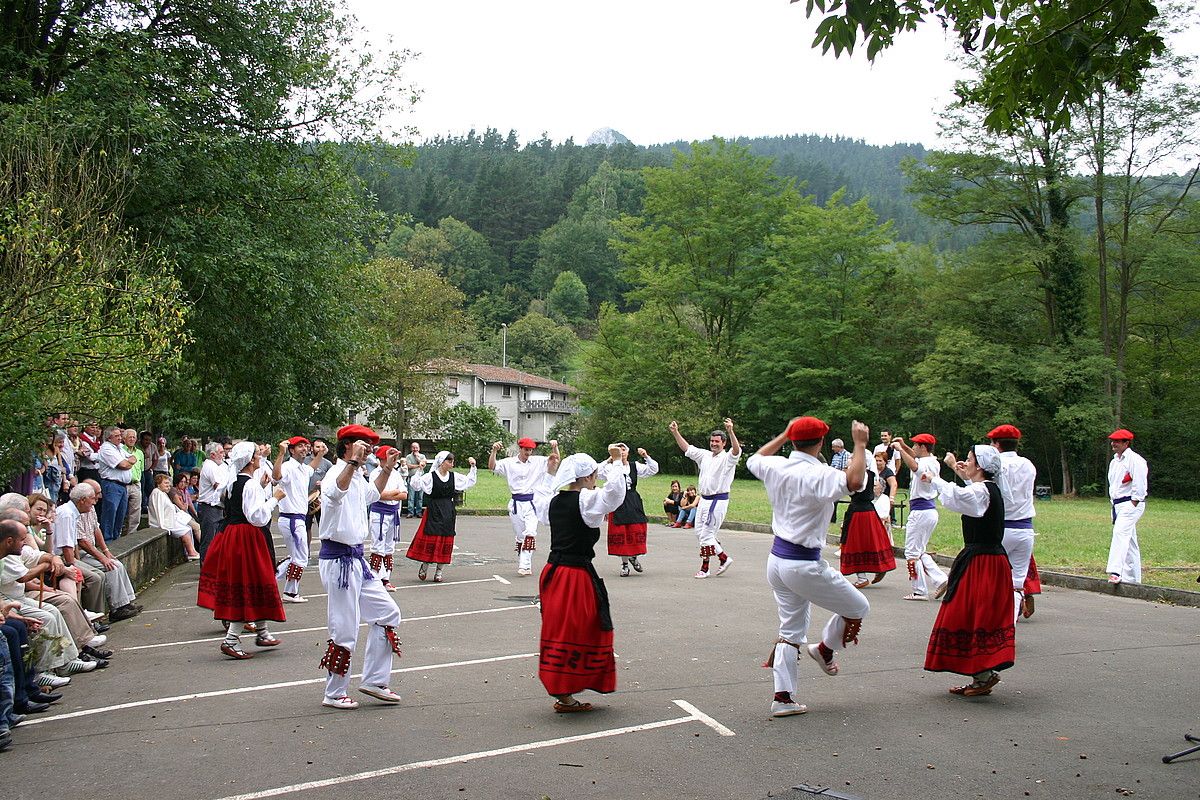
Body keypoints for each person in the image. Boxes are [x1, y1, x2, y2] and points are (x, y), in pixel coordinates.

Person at [748, 417, 872, 718]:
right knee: (858, 607)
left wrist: (783, 432)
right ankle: (825, 649)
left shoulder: (776, 465)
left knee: (790, 630)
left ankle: (783, 697)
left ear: (792, 441)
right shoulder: (820, 474)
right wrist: (860, 444)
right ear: (820, 443)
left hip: (776, 560)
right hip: (802, 562)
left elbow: (754, 459)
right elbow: (855, 482)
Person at [531, 448, 626, 713]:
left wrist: (550, 472)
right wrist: (617, 462)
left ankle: (564, 691)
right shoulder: (586, 501)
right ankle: (565, 690)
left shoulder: (553, 500)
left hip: (553, 572)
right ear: (587, 477)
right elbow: (615, 495)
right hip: (573, 576)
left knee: (560, 629)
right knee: (580, 630)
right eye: (594, 475)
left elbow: (541, 496)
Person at [317, 425, 404, 710]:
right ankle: (334, 693)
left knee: (388, 612)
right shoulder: (337, 473)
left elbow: (373, 495)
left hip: (357, 560)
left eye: (369, 445)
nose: (368, 449)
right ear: (348, 446)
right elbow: (332, 494)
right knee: (344, 628)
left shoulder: (359, 476)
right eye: (364, 444)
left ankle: (375, 680)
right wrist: (353, 463)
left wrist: (387, 469)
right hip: (337, 560)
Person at [924, 445, 1015, 697]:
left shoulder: (982, 491)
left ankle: (983, 675)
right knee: (975, 615)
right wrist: (958, 469)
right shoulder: (989, 488)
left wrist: (934, 478)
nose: (966, 461)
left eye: (970, 459)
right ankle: (981, 675)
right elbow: (967, 491)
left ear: (980, 467)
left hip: (983, 563)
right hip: (986, 560)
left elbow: (959, 497)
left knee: (972, 614)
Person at [197, 441, 286, 659]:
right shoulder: (250, 485)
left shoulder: (234, 481)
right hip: (247, 537)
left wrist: (263, 490)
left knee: (257, 581)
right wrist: (274, 498)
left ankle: (262, 632)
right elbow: (257, 517)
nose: (259, 457)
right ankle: (231, 639)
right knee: (249, 583)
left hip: (232, 535)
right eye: (257, 454)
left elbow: (236, 504)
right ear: (250, 460)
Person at [668, 418, 740, 578]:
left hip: (717, 500)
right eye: (712, 441)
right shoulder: (705, 456)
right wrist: (675, 433)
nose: (714, 444)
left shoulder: (727, 458)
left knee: (707, 534)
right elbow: (687, 448)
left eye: (717, 441)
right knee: (700, 532)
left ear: (724, 443)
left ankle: (708, 566)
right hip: (704, 499)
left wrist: (730, 431)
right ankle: (721, 559)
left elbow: (736, 451)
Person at [987, 424, 1037, 623]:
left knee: (991, 579)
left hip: (1002, 527)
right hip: (1025, 528)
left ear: (997, 444)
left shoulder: (996, 464)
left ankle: (991, 621)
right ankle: (1010, 626)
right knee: (1017, 582)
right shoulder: (1028, 464)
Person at [490, 437, 559, 577]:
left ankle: (525, 564)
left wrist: (554, 447)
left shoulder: (538, 461)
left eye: (531, 450)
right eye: (526, 450)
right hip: (516, 503)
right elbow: (492, 466)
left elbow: (555, 460)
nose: (528, 452)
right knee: (520, 535)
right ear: (520, 449)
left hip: (532, 502)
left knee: (530, 532)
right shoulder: (509, 463)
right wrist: (494, 451)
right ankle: (523, 558)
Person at [405, 451, 478, 582]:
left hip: (448, 510)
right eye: (449, 461)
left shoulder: (453, 476)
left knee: (446, 538)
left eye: (452, 461)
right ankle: (425, 565)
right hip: (434, 509)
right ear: (442, 462)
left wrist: (473, 467)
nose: (452, 463)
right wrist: (420, 469)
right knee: (431, 537)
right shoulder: (431, 476)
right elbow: (415, 485)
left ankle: (439, 571)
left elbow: (469, 481)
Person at [892, 434, 948, 601]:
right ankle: (940, 579)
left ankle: (919, 590)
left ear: (923, 447)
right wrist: (904, 446)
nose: (913, 447)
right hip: (928, 510)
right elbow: (915, 458)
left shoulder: (923, 463)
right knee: (919, 550)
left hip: (921, 511)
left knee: (911, 552)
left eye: (916, 445)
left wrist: (900, 449)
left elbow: (915, 465)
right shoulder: (932, 461)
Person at [839, 452, 896, 588]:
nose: (849, 461)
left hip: (859, 513)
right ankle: (879, 568)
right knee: (871, 542)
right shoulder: (869, 474)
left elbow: (851, 489)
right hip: (868, 511)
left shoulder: (859, 476)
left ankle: (862, 577)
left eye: (852, 459)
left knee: (857, 544)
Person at [599, 444, 658, 577]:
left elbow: (653, 469)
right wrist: (609, 460)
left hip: (632, 501)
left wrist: (646, 456)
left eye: (623, 450)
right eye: (618, 450)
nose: (622, 452)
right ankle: (625, 564)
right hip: (618, 502)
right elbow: (596, 471)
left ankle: (634, 556)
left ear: (628, 452)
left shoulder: (634, 466)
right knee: (622, 532)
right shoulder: (610, 467)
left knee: (636, 529)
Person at [273, 436, 314, 603]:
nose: (304, 448)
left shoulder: (303, 468)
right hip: (291, 518)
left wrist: (320, 454)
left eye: (306, 446)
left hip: (297, 518)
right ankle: (272, 582)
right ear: (291, 450)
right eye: (300, 446)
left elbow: (313, 468)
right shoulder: (288, 466)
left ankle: (290, 591)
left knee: (298, 557)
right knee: (300, 557)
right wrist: (280, 454)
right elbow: (276, 476)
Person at [1106, 428, 1148, 585]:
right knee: (1130, 542)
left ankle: (1115, 571)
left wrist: (1135, 502)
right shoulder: (1114, 462)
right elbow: (1114, 485)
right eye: (1113, 441)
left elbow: (1140, 484)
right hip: (1118, 504)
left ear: (1126, 443)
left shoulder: (1136, 460)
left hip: (1131, 503)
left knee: (1120, 533)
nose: (1113, 444)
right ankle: (1133, 579)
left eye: (1117, 441)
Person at [368, 445, 408, 591]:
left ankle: (386, 579)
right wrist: (395, 493)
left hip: (393, 512)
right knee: (378, 546)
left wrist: (390, 494)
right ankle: (375, 577)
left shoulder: (396, 474)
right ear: (381, 459)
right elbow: (378, 494)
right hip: (379, 512)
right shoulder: (375, 474)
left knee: (389, 547)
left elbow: (404, 494)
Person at [148, 474, 201, 559]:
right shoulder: (157, 493)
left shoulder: (163, 493)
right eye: (165, 483)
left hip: (170, 519)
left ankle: (192, 551)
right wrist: (162, 526)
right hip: (165, 522)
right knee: (185, 530)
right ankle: (191, 552)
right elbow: (158, 510)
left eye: (169, 484)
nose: (168, 486)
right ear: (158, 483)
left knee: (188, 528)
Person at [96, 426, 134, 542]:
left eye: (120, 435)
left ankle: (116, 538)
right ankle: (107, 541)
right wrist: (129, 462)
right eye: (116, 436)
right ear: (109, 437)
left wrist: (129, 462)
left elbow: (133, 457)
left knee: (120, 514)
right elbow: (123, 465)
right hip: (111, 485)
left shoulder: (119, 448)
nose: (120, 438)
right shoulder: (107, 449)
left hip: (122, 486)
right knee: (110, 513)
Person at [196, 442, 229, 564]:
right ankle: (205, 566)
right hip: (209, 507)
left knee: (216, 539)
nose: (223, 455)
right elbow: (218, 487)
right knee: (208, 539)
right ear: (212, 455)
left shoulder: (219, 466)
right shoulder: (210, 466)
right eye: (220, 453)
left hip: (217, 507)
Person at [872, 452, 897, 536]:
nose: (878, 463)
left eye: (880, 461)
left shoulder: (888, 472)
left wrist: (892, 497)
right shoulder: (872, 470)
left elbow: (894, 484)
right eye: (876, 461)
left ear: (885, 461)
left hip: (883, 498)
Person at [404, 442, 428, 518]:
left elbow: (423, 465)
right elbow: (409, 466)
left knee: (420, 497)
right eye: (413, 447)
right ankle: (410, 512)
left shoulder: (422, 456)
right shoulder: (408, 457)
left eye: (416, 447)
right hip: (411, 479)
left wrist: (418, 458)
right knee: (411, 496)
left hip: (420, 479)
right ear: (411, 448)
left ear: (419, 448)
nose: (415, 449)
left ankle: (419, 512)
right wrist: (418, 465)